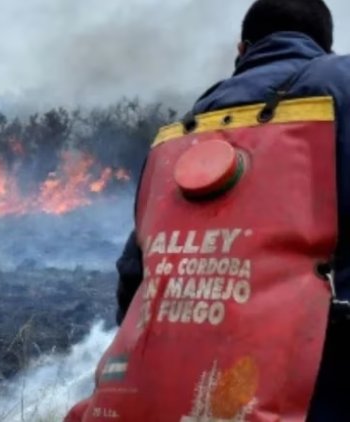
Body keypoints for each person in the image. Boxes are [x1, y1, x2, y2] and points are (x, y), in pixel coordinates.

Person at [68, 0, 350, 420]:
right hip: (323, 373)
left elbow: (136, 272)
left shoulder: (186, 126)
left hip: (217, 385)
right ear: (324, 47)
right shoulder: (341, 82)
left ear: (243, 49)